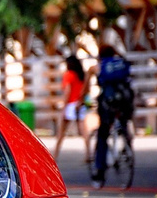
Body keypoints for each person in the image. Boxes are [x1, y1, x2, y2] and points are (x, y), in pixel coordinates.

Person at [91, 44, 133, 187]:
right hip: (125, 102)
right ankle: (127, 146)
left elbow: (87, 85)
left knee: (102, 134)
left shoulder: (100, 66)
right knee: (123, 123)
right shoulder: (121, 63)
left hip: (108, 103)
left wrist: (81, 101)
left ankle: (99, 170)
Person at [53, 53, 92, 165]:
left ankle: (55, 156)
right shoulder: (81, 76)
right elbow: (86, 90)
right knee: (83, 130)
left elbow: (67, 92)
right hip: (80, 103)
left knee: (61, 132)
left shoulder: (68, 75)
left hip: (70, 104)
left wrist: (64, 108)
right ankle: (88, 153)